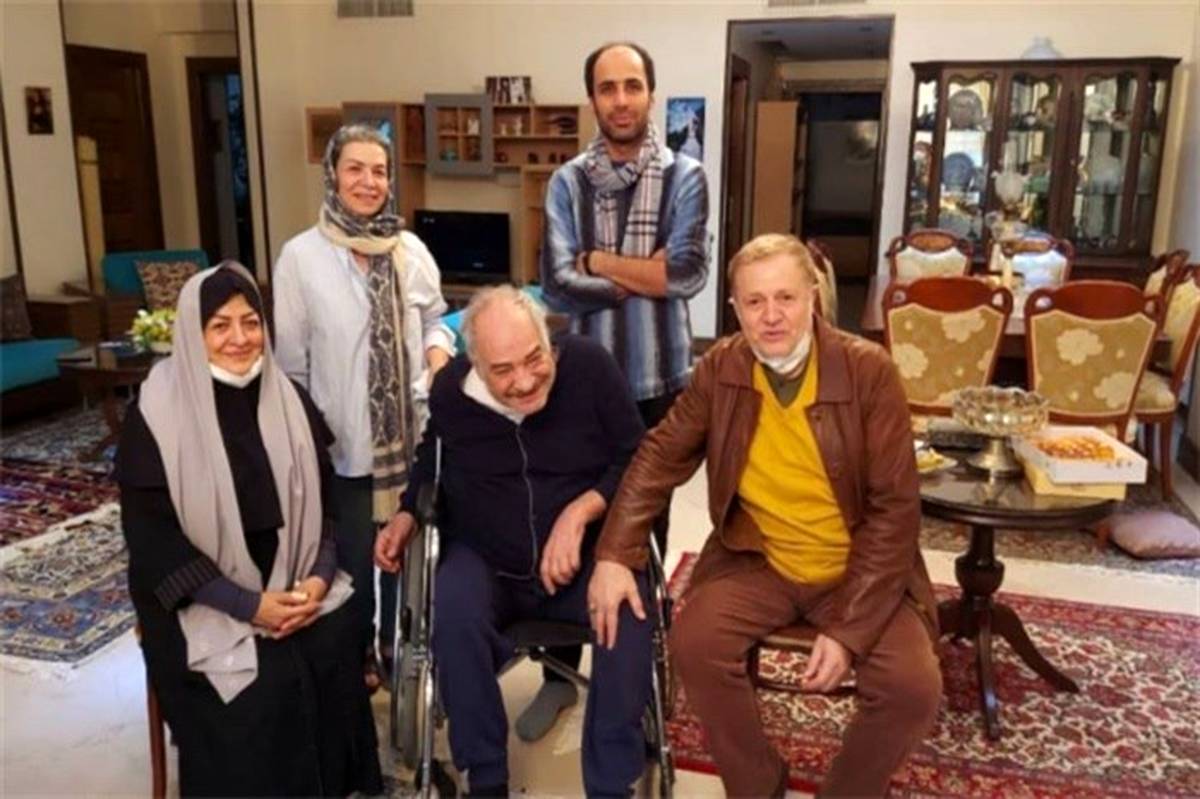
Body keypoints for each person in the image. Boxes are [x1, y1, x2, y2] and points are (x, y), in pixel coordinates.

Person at [589, 234, 943, 797]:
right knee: (695, 646)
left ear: (813, 298)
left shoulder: (867, 371)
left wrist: (849, 632)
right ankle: (758, 785)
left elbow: (895, 512)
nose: (771, 316)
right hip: (759, 557)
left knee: (912, 688)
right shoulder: (721, 368)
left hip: (859, 567)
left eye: (786, 298)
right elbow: (659, 456)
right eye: (754, 302)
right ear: (735, 308)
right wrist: (613, 553)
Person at [116, 263, 382, 797]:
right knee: (261, 687)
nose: (240, 338)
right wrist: (248, 605)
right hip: (201, 596)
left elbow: (327, 509)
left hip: (295, 584)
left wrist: (318, 579)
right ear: (192, 334)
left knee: (336, 643)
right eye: (220, 325)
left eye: (251, 322)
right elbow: (154, 542)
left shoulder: (288, 399)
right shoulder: (155, 417)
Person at [374, 286, 651, 798]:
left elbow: (638, 458)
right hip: (488, 562)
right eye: (503, 371)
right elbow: (433, 453)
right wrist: (409, 512)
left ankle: (612, 785)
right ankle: (486, 778)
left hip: (585, 561)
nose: (524, 381)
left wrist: (583, 510)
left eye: (534, 359)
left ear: (548, 341)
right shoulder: (452, 391)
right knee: (451, 607)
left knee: (627, 613)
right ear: (475, 365)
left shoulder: (590, 368)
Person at [535, 40, 710, 740]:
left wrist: (596, 259)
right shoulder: (565, 183)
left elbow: (687, 273)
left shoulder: (686, 177)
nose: (621, 100)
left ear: (650, 93)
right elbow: (555, 284)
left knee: (643, 537)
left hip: (658, 384)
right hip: (576, 386)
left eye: (632, 85)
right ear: (593, 99)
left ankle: (634, 687)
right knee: (565, 527)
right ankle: (557, 675)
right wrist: (643, 273)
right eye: (607, 88)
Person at [273, 123, 455, 692]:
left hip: (408, 441)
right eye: (355, 168)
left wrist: (437, 357)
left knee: (403, 555)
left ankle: (398, 649)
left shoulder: (410, 250)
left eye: (379, 171)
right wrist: (304, 447)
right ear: (332, 174)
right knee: (350, 563)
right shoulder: (301, 258)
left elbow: (437, 319)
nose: (368, 182)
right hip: (341, 446)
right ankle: (357, 657)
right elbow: (291, 367)